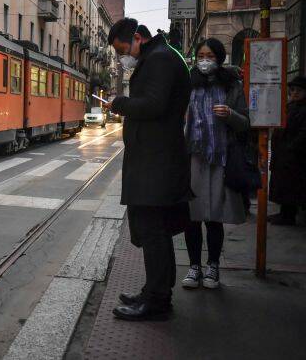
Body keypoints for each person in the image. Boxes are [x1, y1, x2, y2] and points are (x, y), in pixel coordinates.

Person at [103, 18, 193, 321]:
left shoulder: (160, 60)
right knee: (155, 231)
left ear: (138, 38)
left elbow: (154, 105)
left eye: (122, 49)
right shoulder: (159, 57)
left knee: (154, 232)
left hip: (157, 162)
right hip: (154, 160)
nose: (122, 57)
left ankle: (157, 301)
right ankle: (154, 291)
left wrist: (119, 103)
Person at [182, 38, 249, 290]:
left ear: (218, 58)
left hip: (220, 157)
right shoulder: (188, 84)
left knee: (214, 217)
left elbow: (245, 122)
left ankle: (213, 266)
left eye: (210, 55)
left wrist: (230, 115)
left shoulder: (231, 84)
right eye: (201, 55)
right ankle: (193, 266)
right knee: (192, 216)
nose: (204, 60)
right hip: (193, 156)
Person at [268, 76, 306, 225]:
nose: (295, 93)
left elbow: (303, 133)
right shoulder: (291, 106)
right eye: (293, 90)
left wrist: (291, 147)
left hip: (294, 155)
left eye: (299, 90)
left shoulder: (302, 109)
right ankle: (284, 213)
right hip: (284, 153)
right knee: (283, 185)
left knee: (291, 186)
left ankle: (288, 215)